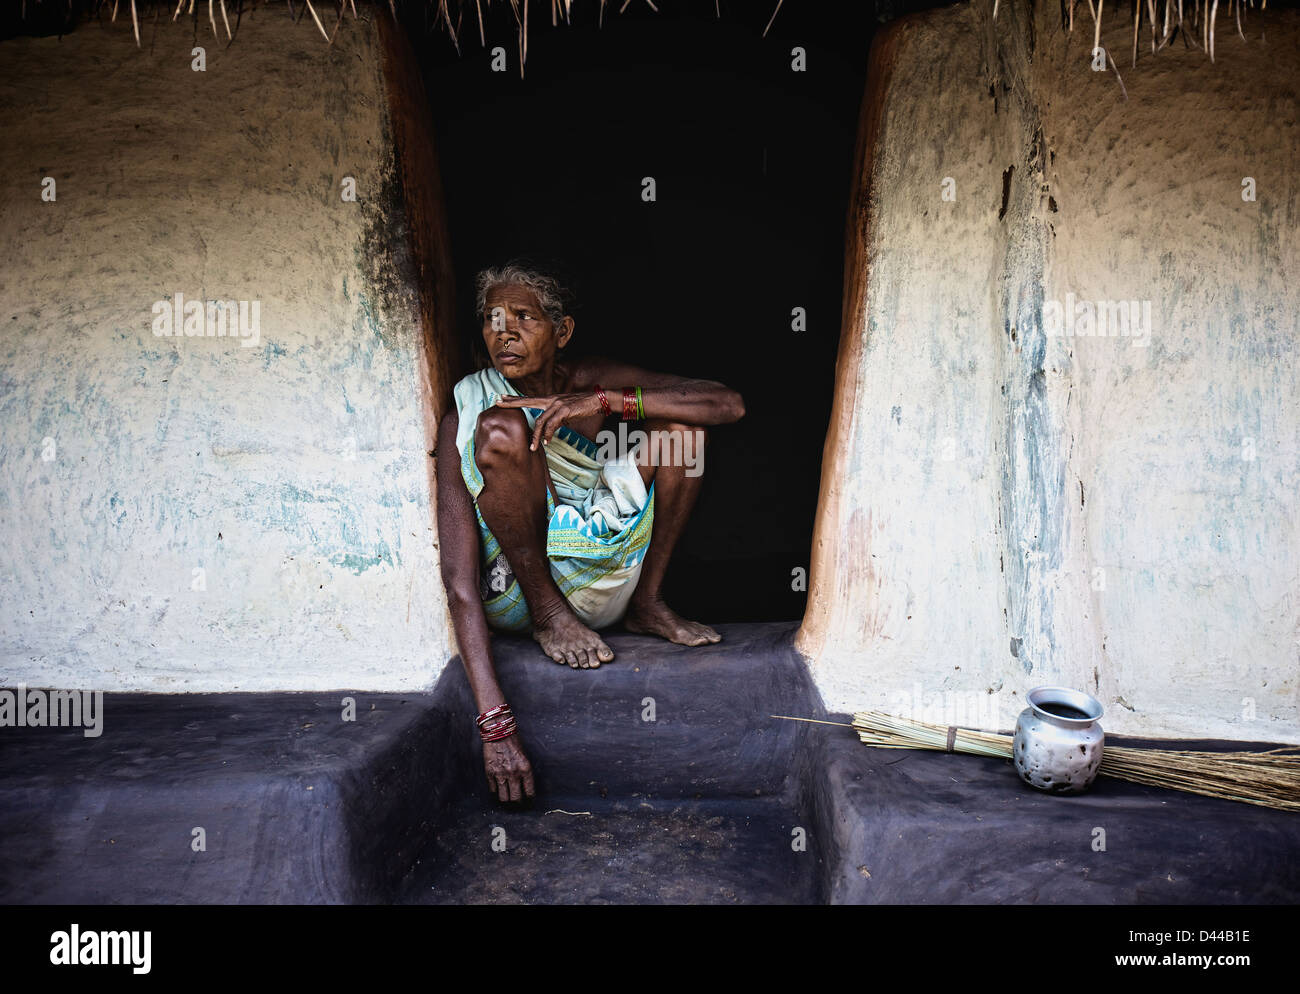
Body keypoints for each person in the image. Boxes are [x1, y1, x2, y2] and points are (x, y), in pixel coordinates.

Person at [436, 262, 745, 802]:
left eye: (523, 317)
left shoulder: (590, 378)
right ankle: (553, 615)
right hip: (520, 596)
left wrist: (604, 401)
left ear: (563, 331)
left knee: (682, 434)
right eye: (491, 318)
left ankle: (649, 603)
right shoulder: (470, 406)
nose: (502, 333)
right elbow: (460, 581)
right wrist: (495, 725)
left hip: (609, 568)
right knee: (503, 428)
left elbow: (726, 404)